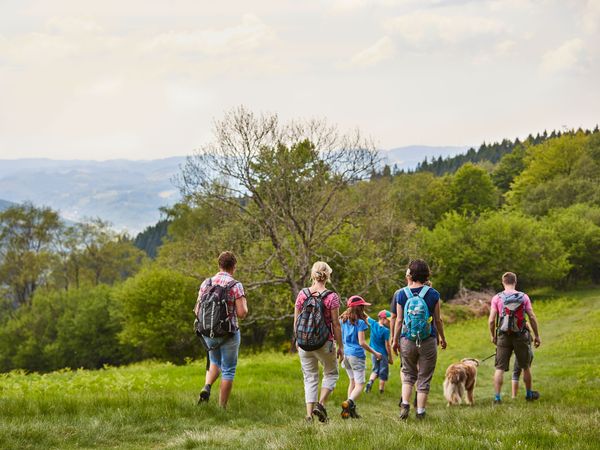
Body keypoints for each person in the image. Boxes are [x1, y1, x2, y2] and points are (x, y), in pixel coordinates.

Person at [393, 260, 447, 420]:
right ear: (427, 274)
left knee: (408, 374)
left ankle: (405, 405)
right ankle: (421, 412)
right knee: (424, 376)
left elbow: (398, 320)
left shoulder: (401, 294)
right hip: (427, 339)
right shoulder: (433, 294)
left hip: (407, 339)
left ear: (410, 274)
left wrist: (395, 341)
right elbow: (438, 320)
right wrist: (442, 338)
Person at [194, 251, 248, 408]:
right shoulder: (235, 285)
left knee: (214, 362)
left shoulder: (207, 283)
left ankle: (207, 386)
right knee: (228, 370)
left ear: (219, 265)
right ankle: (222, 408)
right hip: (228, 334)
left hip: (208, 332)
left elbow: (197, 310)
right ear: (234, 267)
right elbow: (242, 313)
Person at [294, 261, 343, 423]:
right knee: (331, 373)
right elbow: (336, 324)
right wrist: (340, 345)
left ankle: (309, 415)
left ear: (312, 275)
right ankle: (320, 405)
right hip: (325, 342)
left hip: (304, 342)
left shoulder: (302, 294)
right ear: (327, 275)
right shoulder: (331, 297)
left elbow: (296, 320)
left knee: (309, 377)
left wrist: (297, 339)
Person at [488, 272, 541, 404]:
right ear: (515, 282)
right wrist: (537, 336)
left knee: (499, 368)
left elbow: (491, 320)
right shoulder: (523, 297)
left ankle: (497, 398)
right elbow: (532, 317)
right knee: (525, 366)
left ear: (503, 282)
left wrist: (493, 336)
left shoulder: (497, 298)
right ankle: (529, 394)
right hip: (521, 335)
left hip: (503, 335)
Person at [339, 295, 382, 419]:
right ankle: (349, 402)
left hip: (346, 355)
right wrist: (375, 353)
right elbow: (362, 342)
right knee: (360, 384)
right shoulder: (360, 322)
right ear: (360, 307)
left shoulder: (342, 319)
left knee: (352, 381)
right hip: (356, 356)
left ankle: (349, 411)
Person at [365, 310, 394, 394]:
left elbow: (366, 317)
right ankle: (381, 390)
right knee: (383, 373)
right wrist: (390, 358)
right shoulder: (386, 330)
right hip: (383, 355)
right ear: (383, 318)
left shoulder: (373, 324)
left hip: (374, 353)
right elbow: (387, 345)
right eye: (388, 320)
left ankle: (370, 382)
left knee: (375, 370)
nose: (389, 322)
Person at [512, 322, 535, 399]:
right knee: (526, 370)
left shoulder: (520, 334)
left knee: (516, 374)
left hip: (521, 355)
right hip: (530, 354)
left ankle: (514, 396)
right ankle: (529, 393)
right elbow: (531, 340)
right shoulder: (528, 334)